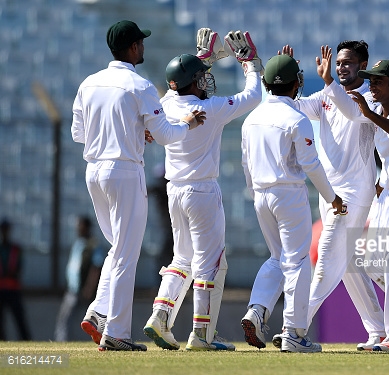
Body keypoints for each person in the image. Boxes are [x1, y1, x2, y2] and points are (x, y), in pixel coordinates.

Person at [71, 20, 205, 351]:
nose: (143, 47)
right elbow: (166, 135)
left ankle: (99, 311)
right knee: (126, 253)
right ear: (133, 48)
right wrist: (186, 123)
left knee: (118, 248)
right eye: (140, 43)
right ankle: (115, 333)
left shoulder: (89, 83)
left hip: (95, 172)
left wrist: (128, 132)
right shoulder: (141, 86)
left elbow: (78, 134)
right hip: (124, 172)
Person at [143, 28, 263, 351]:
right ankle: (202, 336)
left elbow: (178, 85)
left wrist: (202, 59)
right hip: (202, 192)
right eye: (201, 77)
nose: (205, 82)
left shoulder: (165, 103)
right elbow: (253, 96)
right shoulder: (212, 109)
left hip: (174, 192)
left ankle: (160, 315)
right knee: (210, 263)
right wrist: (250, 63)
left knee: (181, 259)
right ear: (194, 83)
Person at [269, 40, 386, 351]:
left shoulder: (372, 101)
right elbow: (293, 107)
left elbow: (350, 113)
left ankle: (294, 327)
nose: (341, 67)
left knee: (325, 261)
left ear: (363, 66)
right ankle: (384, 327)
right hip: (330, 193)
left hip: (354, 193)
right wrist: (285, 77)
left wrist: (329, 82)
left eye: (347, 63)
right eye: (338, 63)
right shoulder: (326, 96)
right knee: (347, 265)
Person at [316, 49, 389, 352]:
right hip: (387, 194)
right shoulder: (376, 111)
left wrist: (368, 116)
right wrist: (381, 183)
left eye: (379, 82)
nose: (373, 87)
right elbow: (383, 160)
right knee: (368, 264)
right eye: (371, 82)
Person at [240, 54, 345, 353]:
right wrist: (332, 198)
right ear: (296, 83)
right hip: (288, 194)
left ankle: (257, 310)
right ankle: (294, 333)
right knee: (297, 261)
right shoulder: (296, 119)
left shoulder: (252, 118)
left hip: (260, 194)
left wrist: (256, 192)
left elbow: (247, 164)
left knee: (277, 258)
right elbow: (311, 165)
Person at [54, 216, 105, 342]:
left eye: (80, 226)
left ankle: (106, 339)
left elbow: (96, 267)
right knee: (65, 319)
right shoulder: (78, 243)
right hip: (73, 289)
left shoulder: (93, 245)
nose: (78, 228)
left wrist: (89, 287)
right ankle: (62, 341)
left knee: (96, 319)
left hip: (86, 290)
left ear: (86, 227)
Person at [0, 219, 31, 341]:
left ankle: (26, 340)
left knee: (19, 318)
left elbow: (18, 268)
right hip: (1, 288)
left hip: (13, 288)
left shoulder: (15, 249)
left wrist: (10, 273)